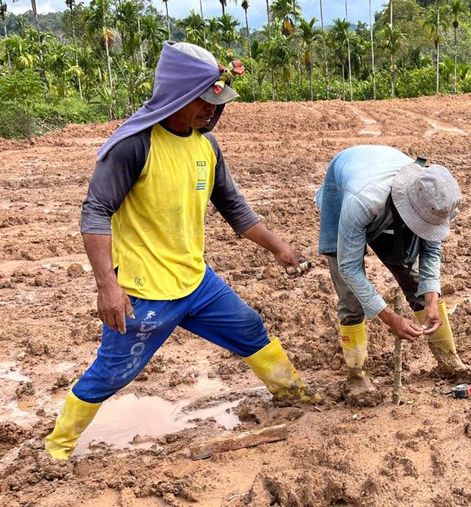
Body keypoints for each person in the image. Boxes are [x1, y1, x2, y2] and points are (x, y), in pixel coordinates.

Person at [44, 42, 317, 461]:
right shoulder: (134, 146)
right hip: (145, 291)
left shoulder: (206, 148)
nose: (212, 110)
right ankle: (56, 449)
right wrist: (107, 287)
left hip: (197, 282)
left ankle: (294, 394)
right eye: (203, 101)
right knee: (112, 374)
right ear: (177, 95)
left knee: (249, 329)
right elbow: (95, 211)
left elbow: (235, 209)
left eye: (217, 101)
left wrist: (281, 249)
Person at [316, 145, 471, 406]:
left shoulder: (432, 196)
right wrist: (389, 318)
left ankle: (450, 360)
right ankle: (357, 376)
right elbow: (349, 268)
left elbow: (430, 251)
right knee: (351, 298)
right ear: (409, 209)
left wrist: (432, 299)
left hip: (388, 197)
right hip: (343, 191)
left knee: (416, 282)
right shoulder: (362, 201)